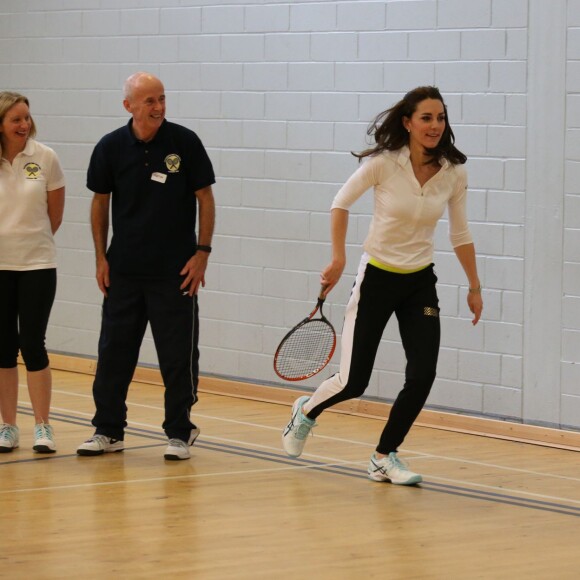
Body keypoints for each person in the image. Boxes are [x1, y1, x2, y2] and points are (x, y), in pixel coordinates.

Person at [282, 86, 483, 485]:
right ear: (407, 122)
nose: (434, 126)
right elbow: (340, 203)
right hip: (376, 277)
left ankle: (383, 455)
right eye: (426, 118)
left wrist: (475, 286)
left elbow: (460, 234)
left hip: (419, 283)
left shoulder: (454, 173)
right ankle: (305, 412)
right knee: (354, 381)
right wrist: (338, 258)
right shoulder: (384, 164)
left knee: (422, 374)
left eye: (440, 118)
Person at [77, 72, 216, 461]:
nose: (158, 107)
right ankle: (108, 429)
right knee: (114, 354)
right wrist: (100, 257)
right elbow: (99, 201)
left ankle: (179, 431)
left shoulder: (184, 142)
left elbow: (205, 197)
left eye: (162, 99)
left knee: (177, 357)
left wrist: (201, 252)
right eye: (150, 101)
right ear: (129, 106)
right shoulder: (110, 147)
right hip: (123, 270)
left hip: (176, 273)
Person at [0, 92, 66, 454]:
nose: (24, 125)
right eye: (15, 120)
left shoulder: (46, 158)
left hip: (37, 266)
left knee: (33, 344)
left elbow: (53, 216)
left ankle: (43, 425)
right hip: (0, 267)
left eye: (26, 118)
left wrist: (30, 243)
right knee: (3, 348)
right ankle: (8, 426)